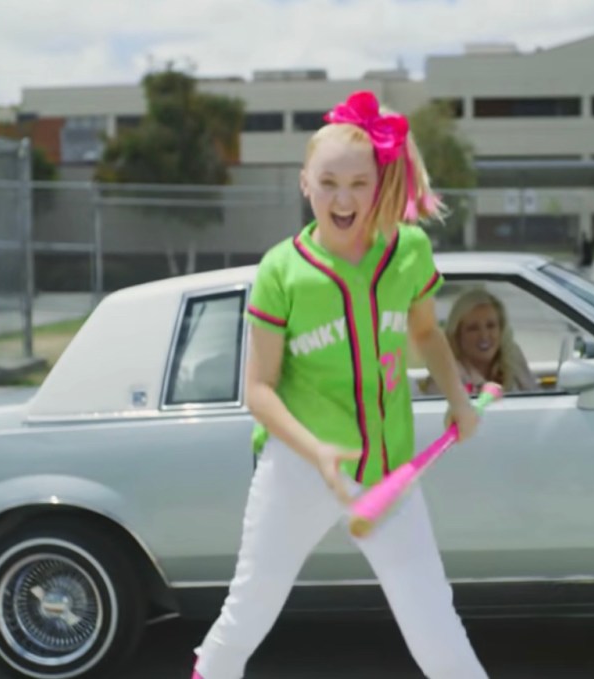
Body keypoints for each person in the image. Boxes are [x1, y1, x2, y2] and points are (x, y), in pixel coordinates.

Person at [191, 90, 489, 679]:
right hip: (298, 467)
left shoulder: (408, 250)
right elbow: (258, 389)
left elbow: (427, 332)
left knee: (436, 625)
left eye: (358, 183)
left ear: (380, 183)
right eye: (328, 183)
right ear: (305, 183)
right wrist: (318, 452)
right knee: (248, 612)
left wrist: (458, 399)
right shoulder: (281, 270)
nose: (344, 198)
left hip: (387, 471)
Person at [420, 288, 537, 395]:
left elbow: (536, 400)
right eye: (473, 328)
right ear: (457, 335)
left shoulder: (512, 357)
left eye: (491, 326)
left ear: (501, 329)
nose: (484, 336)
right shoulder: (446, 377)